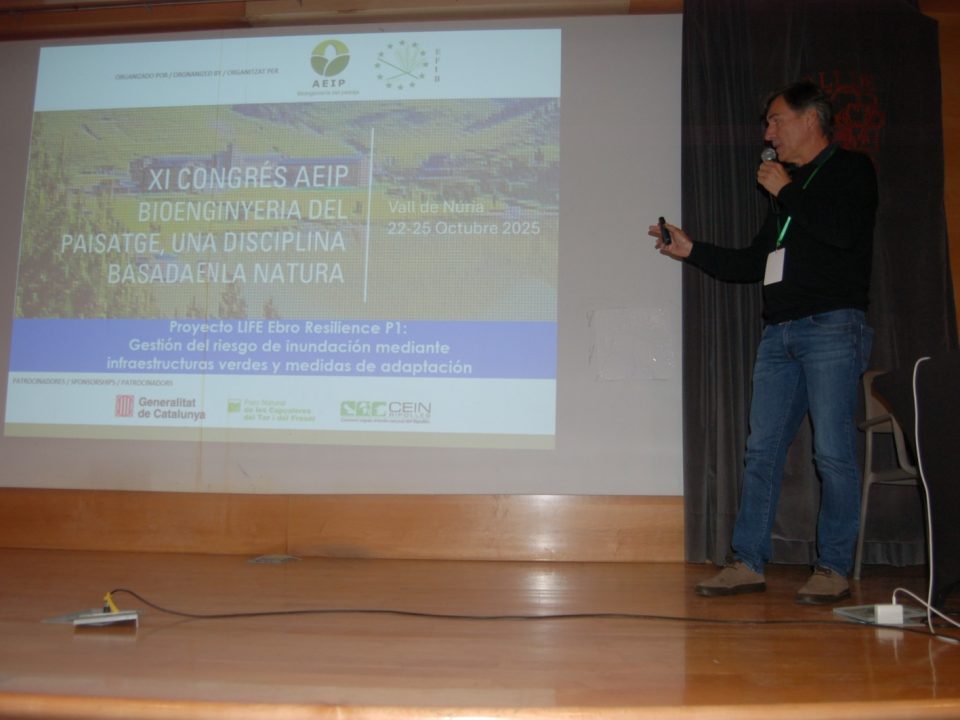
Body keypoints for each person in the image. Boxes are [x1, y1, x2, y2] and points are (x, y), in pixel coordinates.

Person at [650, 80, 878, 605]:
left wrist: (787, 191)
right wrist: (691, 251)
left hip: (832, 329)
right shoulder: (787, 193)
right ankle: (747, 562)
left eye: (776, 120)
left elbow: (843, 232)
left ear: (810, 119)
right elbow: (755, 263)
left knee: (832, 453)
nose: (768, 133)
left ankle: (833, 568)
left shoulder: (849, 171)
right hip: (780, 334)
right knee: (761, 452)